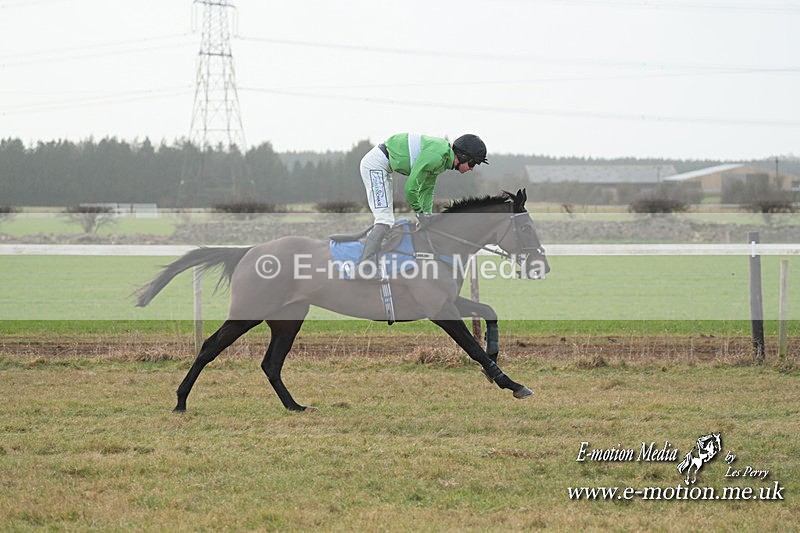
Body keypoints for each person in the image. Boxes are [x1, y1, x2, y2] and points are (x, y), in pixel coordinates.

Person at [352, 133, 488, 281]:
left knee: (387, 219)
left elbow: (427, 190)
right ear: (462, 156)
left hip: (384, 167)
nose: (472, 169)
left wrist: (427, 215)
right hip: (376, 166)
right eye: (473, 163)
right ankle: (364, 267)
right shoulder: (437, 156)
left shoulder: (442, 159)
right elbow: (410, 189)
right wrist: (420, 214)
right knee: (385, 219)